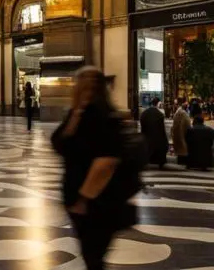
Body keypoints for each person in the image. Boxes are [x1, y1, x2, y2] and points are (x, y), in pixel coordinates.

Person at [51, 67, 139, 270]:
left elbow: (105, 163)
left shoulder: (103, 118)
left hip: (98, 203)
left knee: (94, 258)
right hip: (87, 201)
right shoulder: (80, 115)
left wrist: (83, 199)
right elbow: (59, 142)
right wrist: (76, 112)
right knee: (93, 257)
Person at [138, 98, 168, 168]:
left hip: (147, 139)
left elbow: (142, 128)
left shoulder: (144, 114)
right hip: (157, 140)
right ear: (158, 103)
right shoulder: (160, 114)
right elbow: (162, 129)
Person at [172, 99, 191, 165]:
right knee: (182, 149)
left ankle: (181, 161)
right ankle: (182, 161)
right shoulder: (183, 113)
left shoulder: (179, 112)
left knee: (180, 150)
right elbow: (187, 124)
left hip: (179, 134)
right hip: (182, 134)